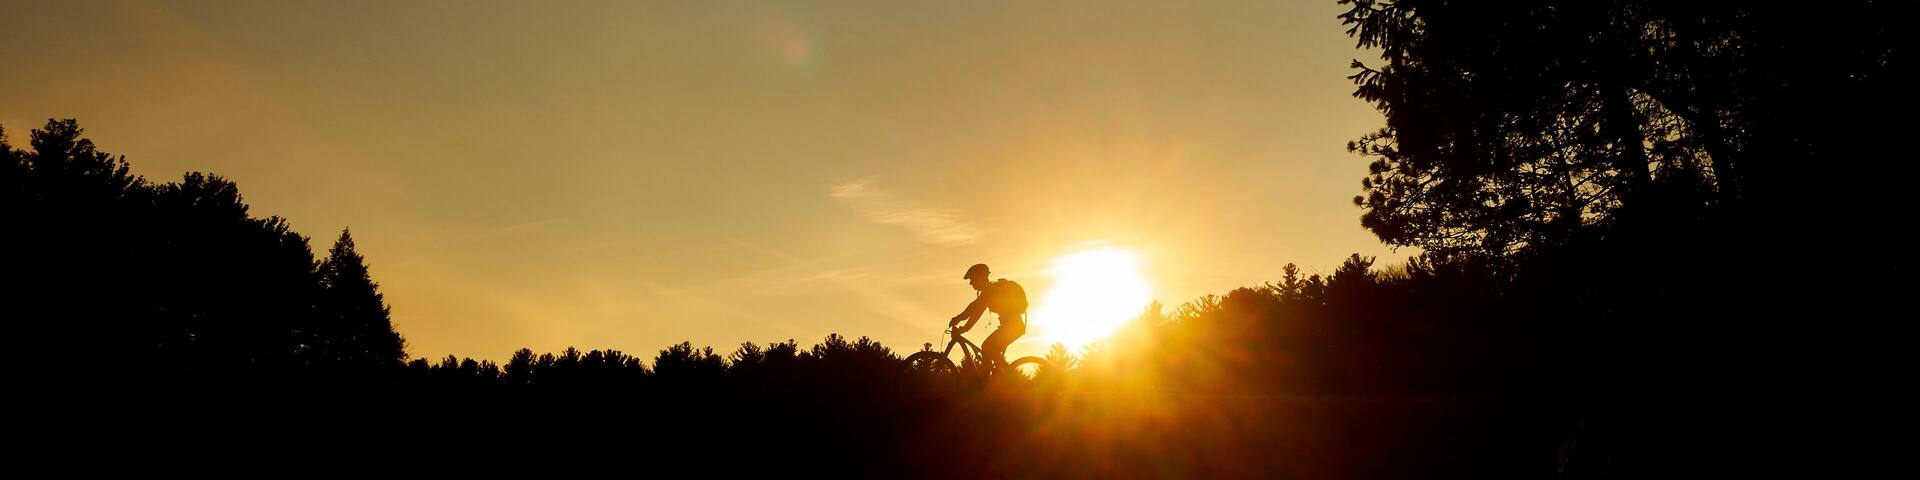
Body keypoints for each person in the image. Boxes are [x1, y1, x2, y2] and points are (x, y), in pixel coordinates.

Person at [949, 263, 1027, 370]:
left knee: (987, 347)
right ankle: (996, 376)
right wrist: (964, 326)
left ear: (979, 278)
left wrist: (959, 321)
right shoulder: (989, 291)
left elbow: (973, 310)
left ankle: (1010, 375)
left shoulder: (990, 291)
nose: (970, 283)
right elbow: (975, 311)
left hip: (1012, 327)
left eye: (972, 279)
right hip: (1012, 326)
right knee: (988, 352)